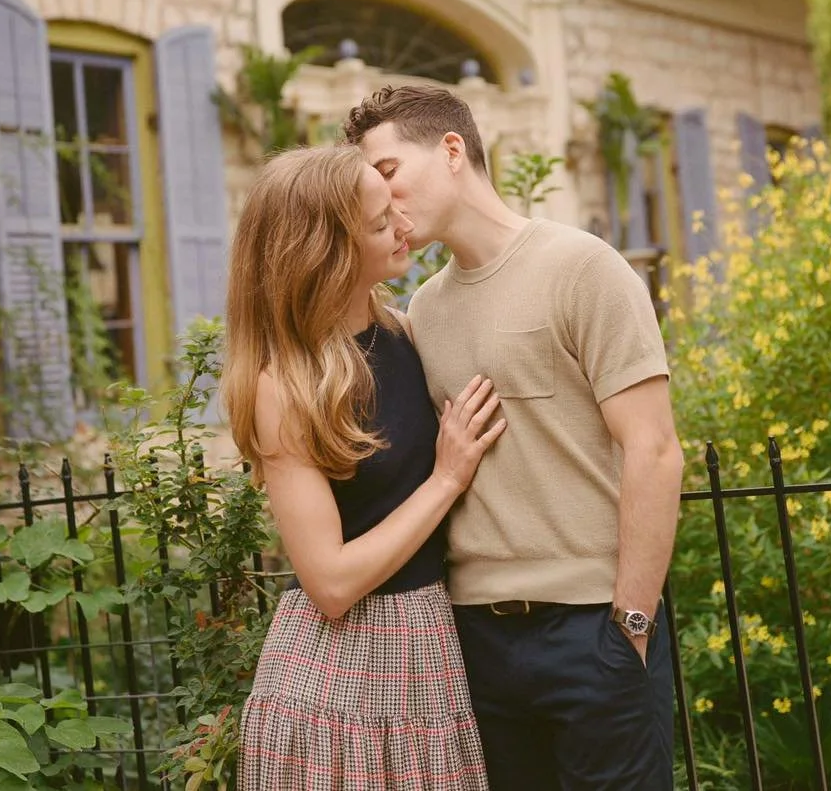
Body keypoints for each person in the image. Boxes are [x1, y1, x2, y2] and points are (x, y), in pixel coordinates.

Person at [343, 84, 684, 791]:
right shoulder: (424, 310)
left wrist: (632, 623)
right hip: (476, 641)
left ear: (451, 149)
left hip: (595, 628)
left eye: (386, 171)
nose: (381, 198)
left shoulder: (583, 267)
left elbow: (653, 449)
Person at [223, 144, 506, 790]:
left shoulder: (407, 333)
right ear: (328, 254)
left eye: (393, 209)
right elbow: (328, 580)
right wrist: (446, 479)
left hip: (427, 653)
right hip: (335, 681)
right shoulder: (284, 386)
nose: (403, 228)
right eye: (380, 225)